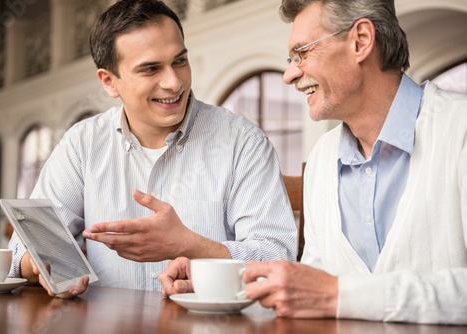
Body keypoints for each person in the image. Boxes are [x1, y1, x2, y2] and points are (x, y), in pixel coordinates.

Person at [159, 0, 467, 325]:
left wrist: (339, 295)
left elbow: (327, 292)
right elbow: (311, 285)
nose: (289, 75)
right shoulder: (323, 156)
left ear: (361, 41)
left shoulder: (459, 131)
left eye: (302, 53)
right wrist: (219, 280)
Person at [8, 0, 297, 298]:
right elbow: (22, 250)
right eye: (150, 69)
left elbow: (279, 259)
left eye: (180, 61)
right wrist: (48, 265)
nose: (174, 82)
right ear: (109, 82)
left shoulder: (243, 142)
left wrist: (190, 245)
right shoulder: (82, 143)